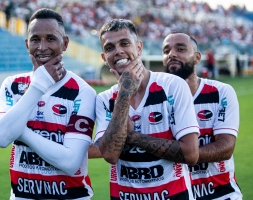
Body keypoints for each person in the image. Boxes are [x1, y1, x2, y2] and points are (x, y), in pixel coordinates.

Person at [0, 8, 96, 200]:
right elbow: (0, 138)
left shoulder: (82, 92)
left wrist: (18, 129)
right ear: (26, 44)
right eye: (35, 39)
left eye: (50, 38)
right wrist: (38, 86)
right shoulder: (13, 85)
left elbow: (70, 162)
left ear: (65, 43)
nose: (42, 47)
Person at [93, 19, 200, 200]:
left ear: (139, 48)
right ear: (104, 58)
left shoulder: (173, 86)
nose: (118, 51)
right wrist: (124, 93)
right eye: (110, 47)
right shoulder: (103, 99)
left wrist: (133, 137)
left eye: (125, 43)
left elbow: (190, 154)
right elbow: (110, 154)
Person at [162, 32, 242, 199]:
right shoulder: (155, 100)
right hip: (177, 195)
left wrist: (181, 153)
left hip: (220, 193)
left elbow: (225, 147)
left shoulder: (220, 92)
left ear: (197, 57)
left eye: (180, 49)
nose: (172, 54)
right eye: (166, 50)